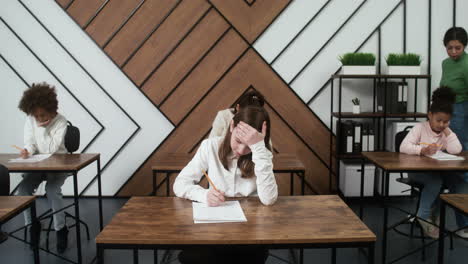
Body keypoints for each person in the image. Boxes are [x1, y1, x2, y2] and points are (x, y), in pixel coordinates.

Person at [174, 106, 277, 264]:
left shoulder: (262, 154)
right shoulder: (210, 147)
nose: (242, 150)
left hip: (250, 232)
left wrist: (258, 148)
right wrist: (204, 195)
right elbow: (180, 184)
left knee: (250, 256)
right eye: (238, 141)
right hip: (214, 228)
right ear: (231, 127)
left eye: (249, 146)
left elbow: (269, 199)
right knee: (194, 256)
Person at [400, 87, 468, 239]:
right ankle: (423, 216)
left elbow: (456, 150)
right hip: (417, 172)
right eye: (439, 120)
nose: (441, 124)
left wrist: (448, 131)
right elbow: (403, 147)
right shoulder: (419, 128)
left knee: (460, 182)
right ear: (429, 115)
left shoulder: (444, 132)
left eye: (446, 121)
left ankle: (438, 217)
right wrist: (422, 150)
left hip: (438, 171)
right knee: (436, 181)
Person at [15, 82, 69, 253]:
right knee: (22, 189)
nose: (38, 119)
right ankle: (33, 225)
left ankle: (61, 228)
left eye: (42, 115)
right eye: (35, 116)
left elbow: (51, 149)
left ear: (52, 110)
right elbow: (30, 142)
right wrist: (27, 151)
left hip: (59, 164)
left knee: (52, 190)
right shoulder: (31, 119)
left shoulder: (61, 122)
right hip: (38, 165)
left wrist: (44, 129)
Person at [440, 26, 468, 238]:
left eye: (458, 48)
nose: (454, 52)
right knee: (445, 162)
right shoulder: (445, 64)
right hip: (447, 111)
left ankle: (464, 224)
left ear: (464, 46)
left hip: (462, 112)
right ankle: (428, 215)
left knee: (461, 165)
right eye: (450, 48)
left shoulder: (467, 64)